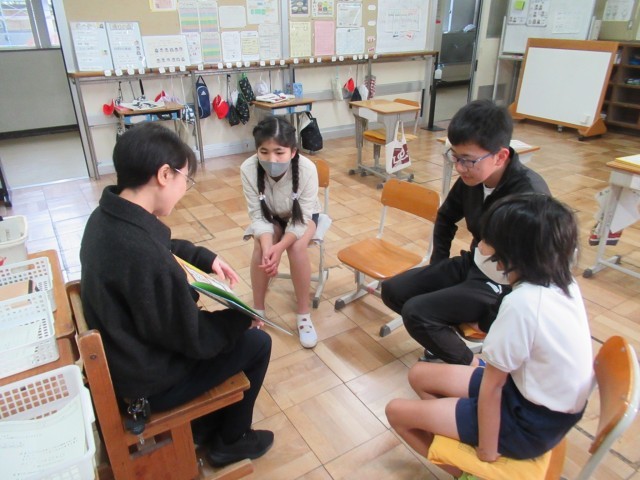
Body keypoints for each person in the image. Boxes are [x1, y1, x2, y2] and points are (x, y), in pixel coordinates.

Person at [80, 123, 274, 468]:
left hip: (128, 358)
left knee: (235, 334)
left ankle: (206, 426)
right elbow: (194, 338)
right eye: (186, 178)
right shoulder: (142, 255)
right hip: (150, 382)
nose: (185, 188)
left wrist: (204, 258)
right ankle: (231, 440)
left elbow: (163, 246)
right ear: (164, 175)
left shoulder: (107, 217)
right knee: (258, 343)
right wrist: (241, 319)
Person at [385, 193, 593, 468]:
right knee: (419, 374)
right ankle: (457, 435)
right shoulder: (561, 282)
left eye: (488, 239)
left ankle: (470, 471)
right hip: (533, 399)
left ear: (512, 251)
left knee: (396, 412)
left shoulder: (523, 303)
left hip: (528, 422)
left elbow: (493, 388)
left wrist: (486, 452)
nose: (481, 246)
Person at [380, 99, 550, 365]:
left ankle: (473, 367)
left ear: (500, 156)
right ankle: (443, 341)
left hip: (503, 284)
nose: (459, 167)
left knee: (416, 312)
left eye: (468, 160)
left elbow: (537, 272)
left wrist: (491, 316)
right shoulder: (473, 179)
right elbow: (446, 217)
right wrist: (438, 264)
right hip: (474, 263)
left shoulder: (530, 196)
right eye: (455, 157)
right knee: (393, 290)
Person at [240, 116, 322, 348]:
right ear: (257, 150)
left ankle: (303, 314)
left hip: (302, 217)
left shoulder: (307, 169)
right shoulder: (248, 168)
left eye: (279, 152)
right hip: (270, 216)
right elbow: (258, 216)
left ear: (293, 151)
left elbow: (301, 220)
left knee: (296, 247)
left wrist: (280, 247)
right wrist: (269, 249)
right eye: (264, 152)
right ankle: (258, 310)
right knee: (260, 247)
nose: (271, 159)